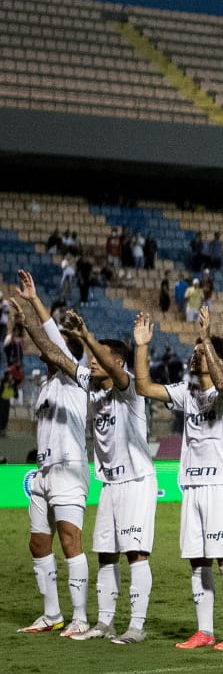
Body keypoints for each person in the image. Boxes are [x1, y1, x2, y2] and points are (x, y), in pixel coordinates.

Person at [31, 310, 158, 644]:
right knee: (105, 553)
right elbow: (57, 354)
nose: (90, 362)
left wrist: (87, 336)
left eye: (98, 358)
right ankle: (104, 622)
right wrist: (33, 309)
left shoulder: (127, 388)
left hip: (136, 481)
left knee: (136, 554)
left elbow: (111, 368)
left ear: (116, 361)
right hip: (109, 483)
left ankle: (137, 626)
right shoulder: (91, 386)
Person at [135, 305, 223, 650]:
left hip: (222, 486)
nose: (193, 358)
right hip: (193, 485)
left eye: (200, 353)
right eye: (194, 353)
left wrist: (205, 339)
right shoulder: (186, 393)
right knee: (197, 559)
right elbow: (143, 387)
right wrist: (141, 346)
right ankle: (205, 631)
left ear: (216, 358)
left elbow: (221, 382)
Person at [10, 270, 90, 636]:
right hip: (42, 473)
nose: (45, 354)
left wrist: (32, 309)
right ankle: (52, 613)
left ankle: (80, 618)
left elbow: (51, 342)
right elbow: (48, 346)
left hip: (69, 468)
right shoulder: (45, 385)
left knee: (70, 540)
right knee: (38, 542)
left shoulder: (77, 378)